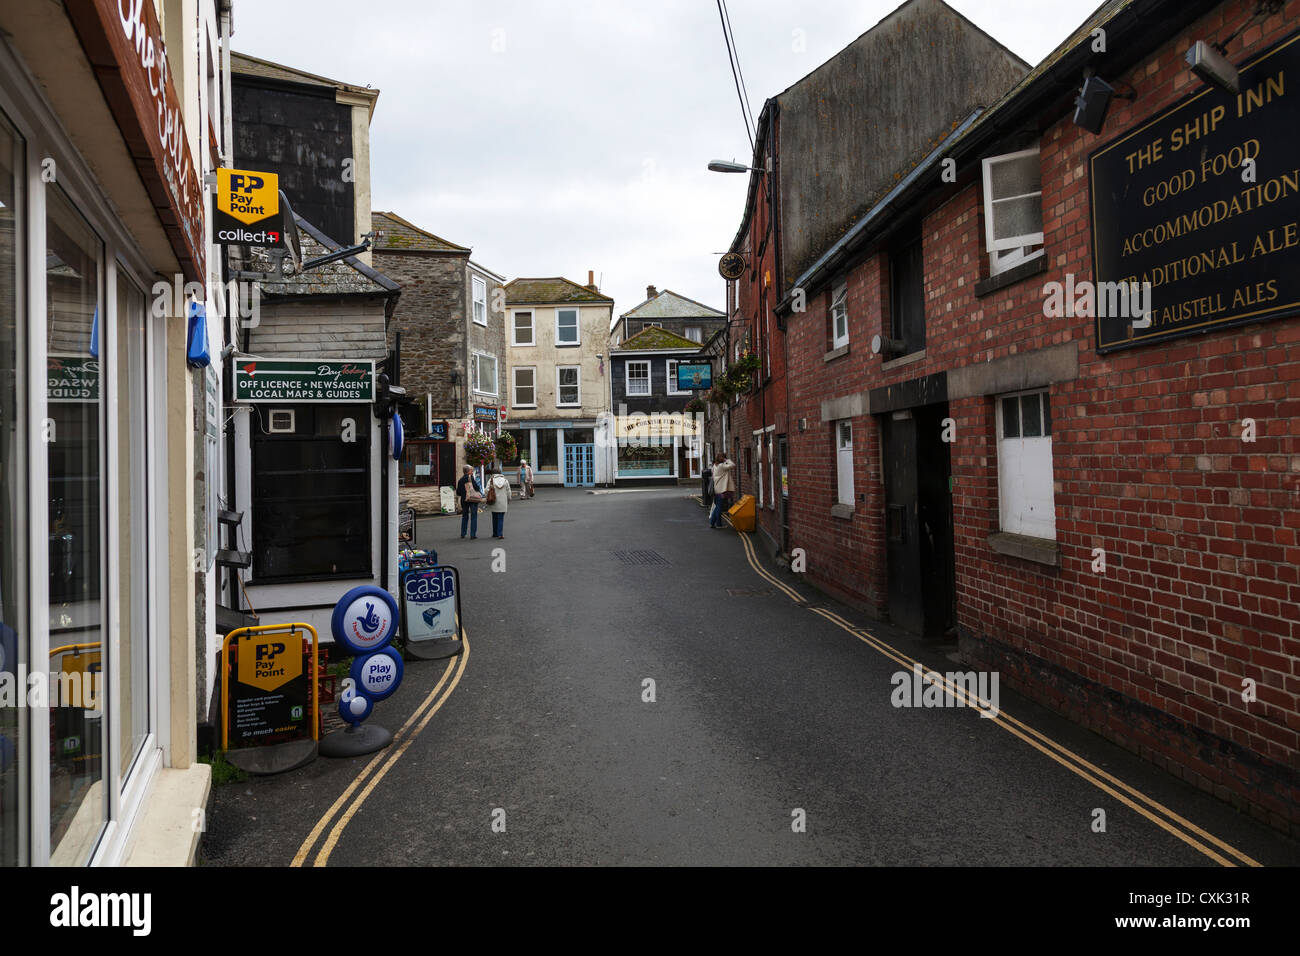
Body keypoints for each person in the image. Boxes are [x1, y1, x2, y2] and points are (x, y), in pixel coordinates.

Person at [709, 453, 735, 528]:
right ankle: (718, 524)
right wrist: (726, 460)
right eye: (723, 457)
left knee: (717, 507)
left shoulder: (714, 466)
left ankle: (712, 523)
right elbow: (733, 465)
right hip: (721, 489)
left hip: (716, 489)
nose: (724, 459)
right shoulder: (722, 466)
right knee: (719, 507)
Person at [455, 465, 482, 539]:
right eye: (471, 470)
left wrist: (464, 493)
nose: (472, 472)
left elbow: (458, 492)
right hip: (473, 499)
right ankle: (473, 534)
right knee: (473, 516)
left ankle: (463, 533)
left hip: (464, 500)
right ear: (468, 471)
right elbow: (477, 487)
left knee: (465, 516)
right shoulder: (470, 478)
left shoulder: (460, 480)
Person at [486, 466, 511, 538]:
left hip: (493, 501)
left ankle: (495, 533)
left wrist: (487, 498)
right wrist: (509, 499)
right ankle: (500, 533)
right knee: (500, 518)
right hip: (503, 502)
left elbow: (487, 490)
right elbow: (508, 491)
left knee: (494, 517)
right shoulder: (505, 480)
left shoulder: (491, 480)